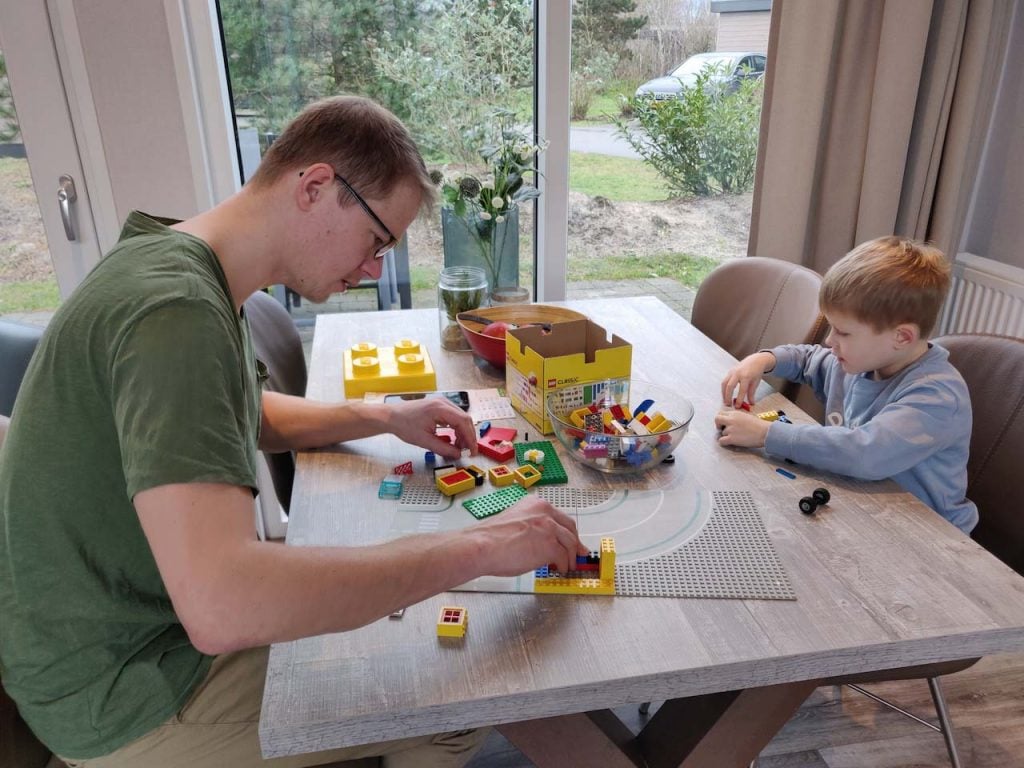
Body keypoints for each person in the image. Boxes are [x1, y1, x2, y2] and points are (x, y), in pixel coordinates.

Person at [0, 95, 588, 768]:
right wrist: (479, 545)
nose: (375, 269)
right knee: (454, 693)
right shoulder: (176, 312)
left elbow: (238, 414)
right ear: (314, 187)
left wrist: (385, 415)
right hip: (127, 691)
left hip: (116, 643)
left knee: (402, 611)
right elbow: (222, 607)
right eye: (377, 240)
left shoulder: (173, 261)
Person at [715, 236, 978, 535]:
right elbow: (807, 359)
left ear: (902, 337)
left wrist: (766, 434)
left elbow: (864, 453)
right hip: (865, 509)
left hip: (929, 537)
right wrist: (764, 360)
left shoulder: (937, 396)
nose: (830, 341)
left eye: (843, 332)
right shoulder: (860, 362)